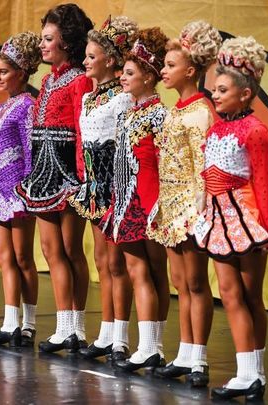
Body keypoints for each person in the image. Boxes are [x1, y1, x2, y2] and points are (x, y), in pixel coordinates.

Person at [196, 37, 268, 401]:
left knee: (250, 297)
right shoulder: (215, 128)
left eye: (223, 89)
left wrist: (267, 230)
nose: (214, 94)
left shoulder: (255, 130)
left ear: (245, 94)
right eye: (214, 88)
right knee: (229, 294)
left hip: (245, 218)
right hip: (217, 218)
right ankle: (248, 374)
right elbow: (205, 176)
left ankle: (253, 373)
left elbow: (262, 181)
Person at [14, 3, 94, 353]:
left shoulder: (79, 80)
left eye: (48, 39)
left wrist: (81, 176)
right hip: (43, 172)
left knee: (71, 250)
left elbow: (81, 129)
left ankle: (75, 326)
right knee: (50, 250)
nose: (42, 45)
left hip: (68, 173)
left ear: (66, 41)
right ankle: (65, 325)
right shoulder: (47, 80)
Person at [150, 21, 222, 387]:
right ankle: (184, 351)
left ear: (190, 70)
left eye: (170, 65)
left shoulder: (201, 111)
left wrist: (199, 212)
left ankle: (200, 359)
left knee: (195, 282)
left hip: (192, 207)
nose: (163, 70)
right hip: (171, 203)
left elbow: (204, 167)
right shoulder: (177, 108)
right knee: (180, 281)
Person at [99, 28, 171, 371]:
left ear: (149, 77)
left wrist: (158, 205)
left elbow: (163, 163)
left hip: (148, 203)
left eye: (129, 73)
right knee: (139, 270)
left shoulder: (159, 115)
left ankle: (152, 345)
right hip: (126, 201)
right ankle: (149, 345)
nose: (123, 79)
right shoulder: (128, 114)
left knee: (152, 271)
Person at [68, 15, 138, 362]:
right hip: (94, 187)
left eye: (91, 56)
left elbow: (124, 149)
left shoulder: (123, 99)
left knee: (116, 264)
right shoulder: (89, 98)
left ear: (111, 60)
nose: (85, 62)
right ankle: (107, 330)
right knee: (101, 261)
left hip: (115, 188)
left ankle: (121, 337)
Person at [0, 32, 41, 347]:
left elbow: (30, 151)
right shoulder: (6, 105)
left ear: (21, 72)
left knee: (22, 257)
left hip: (19, 190)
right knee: (5, 257)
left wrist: (27, 186)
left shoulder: (27, 105)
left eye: (4, 71)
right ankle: (10, 322)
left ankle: (29, 323)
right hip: (0, 190)